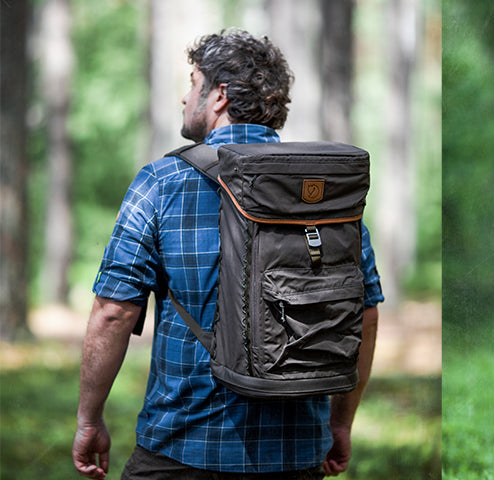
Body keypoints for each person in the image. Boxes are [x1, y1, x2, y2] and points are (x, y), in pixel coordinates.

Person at [72, 29, 384, 479]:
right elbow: (364, 313)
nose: (184, 97)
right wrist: (340, 422)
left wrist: (88, 419)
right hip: (295, 452)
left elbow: (113, 313)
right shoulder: (323, 191)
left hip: (181, 447)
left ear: (218, 95)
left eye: (192, 82)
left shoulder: (162, 182)